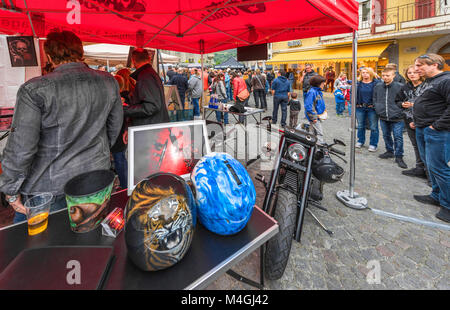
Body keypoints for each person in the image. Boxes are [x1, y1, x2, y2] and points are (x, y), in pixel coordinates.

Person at [0, 30, 123, 223]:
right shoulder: (108, 81)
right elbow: (114, 129)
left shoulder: (34, 89)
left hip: (49, 187)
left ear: (48, 55)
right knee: (90, 245)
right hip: (95, 177)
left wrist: (10, 190)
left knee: (38, 249)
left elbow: (21, 147)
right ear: (80, 52)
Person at [411, 53, 450, 223]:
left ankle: (448, 205)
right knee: (431, 166)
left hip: (438, 132)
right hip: (423, 127)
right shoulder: (430, 82)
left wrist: (436, 126)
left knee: (439, 167)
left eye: (420, 65)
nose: (417, 68)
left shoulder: (445, 80)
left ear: (435, 65)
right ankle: (436, 195)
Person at [395, 65, 427, 180]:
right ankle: (419, 168)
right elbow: (397, 100)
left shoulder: (427, 86)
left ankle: (429, 173)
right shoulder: (406, 87)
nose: (412, 74)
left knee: (426, 147)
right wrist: (401, 104)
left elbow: (432, 105)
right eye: (409, 73)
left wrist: (414, 105)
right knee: (416, 145)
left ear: (420, 73)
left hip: (425, 121)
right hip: (409, 119)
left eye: (415, 72)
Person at [125, 48, 169, 126]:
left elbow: (151, 106)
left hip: (150, 128)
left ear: (133, 61)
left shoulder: (146, 76)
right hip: (153, 127)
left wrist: (125, 110)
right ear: (149, 58)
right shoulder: (148, 74)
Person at [373, 67, 406, 168]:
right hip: (383, 116)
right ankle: (389, 151)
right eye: (383, 75)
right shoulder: (378, 86)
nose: (385, 77)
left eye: (388, 75)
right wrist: (377, 108)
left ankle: (399, 156)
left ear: (393, 76)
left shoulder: (400, 86)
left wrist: (400, 111)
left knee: (398, 137)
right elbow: (375, 98)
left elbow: (404, 100)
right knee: (386, 135)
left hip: (397, 117)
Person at [355, 67, 380, 152]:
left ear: (371, 73)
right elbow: (352, 94)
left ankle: (373, 144)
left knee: (373, 127)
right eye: (363, 72)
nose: (365, 74)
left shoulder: (376, 83)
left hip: (372, 108)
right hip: (360, 107)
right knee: (361, 126)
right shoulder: (358, 83)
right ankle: (360, 141)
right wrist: (355, 103)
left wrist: (375, 105)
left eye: (367, 72)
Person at [111, 75, 129, 189]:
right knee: (121, 159)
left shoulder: (120, 98)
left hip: (118, 133)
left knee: (120, 159)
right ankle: (124, 184)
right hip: (121, 132)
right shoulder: (123, 97)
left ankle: (124, 185)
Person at [304, 75, 327, 144]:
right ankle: (318, 147)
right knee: (319, 133)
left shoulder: (318, 91)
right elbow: (309, 106)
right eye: (323, 83)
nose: (324, 84)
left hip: (317, 116)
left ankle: (313, 148)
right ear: (318, 83)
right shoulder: (312, 92)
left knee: (313, 133)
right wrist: (313, 117)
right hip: (314, 117)